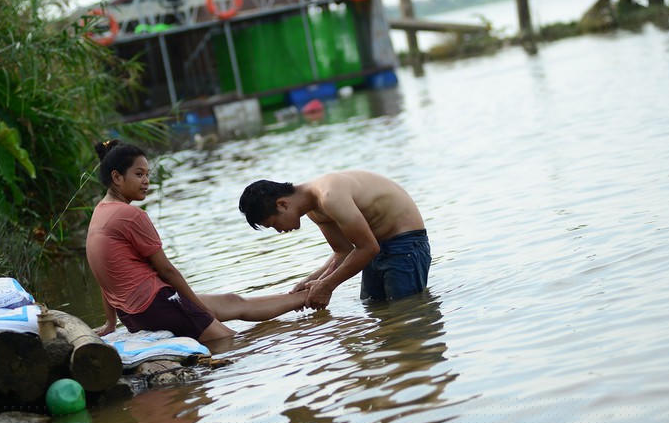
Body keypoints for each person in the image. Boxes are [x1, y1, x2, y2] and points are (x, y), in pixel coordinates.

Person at [86, 140, 307, 342]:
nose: (146, 181)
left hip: (137, 311)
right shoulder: (130, 215)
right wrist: (198, 309)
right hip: (156, 305)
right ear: (117, 177)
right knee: (236, 342)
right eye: (139, 174)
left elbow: (104, 277)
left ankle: (305, 298)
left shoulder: (100, 212)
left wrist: (111, 322)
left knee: (232, 302)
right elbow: (167, 270)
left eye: (147, 174)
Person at [238, 171, 430, 309]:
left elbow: (367, 248)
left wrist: (327, 286)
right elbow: (343, 252)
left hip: (405, 244)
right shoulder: (314, 210)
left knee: (406, 312)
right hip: (376, 248)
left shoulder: (329, 196)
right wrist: (310, 283)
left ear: (282, 204)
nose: (279, 230)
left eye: (274, 224)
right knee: (374, 308)